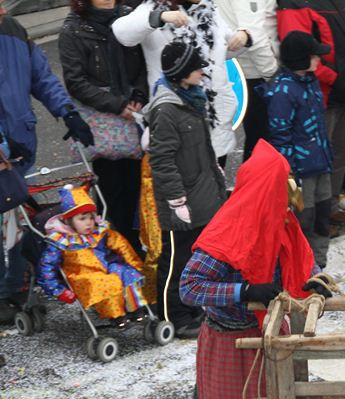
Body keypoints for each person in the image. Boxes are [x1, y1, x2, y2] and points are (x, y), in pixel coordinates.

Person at [179, 140, 332, 399]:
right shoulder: (229, 231)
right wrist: (242, 292)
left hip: (261, 334)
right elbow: (189, 287)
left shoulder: (273, 219)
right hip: (232, 341)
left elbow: (291, 269)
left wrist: (310, 284)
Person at [0, 0, 94, 325]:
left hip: (19, 148)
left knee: (16, 219)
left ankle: (15, 285)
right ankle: (6, 291)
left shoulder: (12, 30)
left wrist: (67, 111)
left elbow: (41, 77)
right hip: (3, 150)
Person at [145, 41, 227, 338]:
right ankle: (172, 316)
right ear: (181, 73)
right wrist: (175, 199)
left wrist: (215, 174)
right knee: (176, 259)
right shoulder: (167, 110)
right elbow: (162, 159)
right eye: (196, 68)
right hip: (182, 199)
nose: (202, 72)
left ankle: (193, 307)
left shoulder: (191, 99)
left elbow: (201, 148)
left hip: (201, 193)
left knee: (197, 256)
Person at [58, 0, 149, 254]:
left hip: (134, 112)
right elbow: (75, 82)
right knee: (111, 188)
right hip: (102, 120)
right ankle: (116, 246)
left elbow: (144, 62)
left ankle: (134, 243)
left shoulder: (129, 17)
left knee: (136, 184)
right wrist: (117, 105)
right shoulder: (73, 29)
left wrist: (139, 95)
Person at [112, 0, 251, 163]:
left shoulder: (208, 9)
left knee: (215, 176)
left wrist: (244, 38)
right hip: (176, 115)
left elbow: (222, 48)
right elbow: (122, 33)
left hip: (214, 117)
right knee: (183, 178)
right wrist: (159, 17)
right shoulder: (153, 8)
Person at [277, 0, 345, 228]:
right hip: (321, 95)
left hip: (344, 91)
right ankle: (308, 218)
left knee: (338, 156)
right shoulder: (295, 4)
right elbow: (298, 52)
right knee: (312, 163)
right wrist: (335, 79)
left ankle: (330, 207)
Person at [260, 31, 334, 269]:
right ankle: (303, 269)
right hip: (301, 171)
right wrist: (290, 174)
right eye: (314, 56)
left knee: (323, 216)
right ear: (300, 59)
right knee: (304, 221)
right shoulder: (283, 91)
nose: (318, 60)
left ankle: (320, 265)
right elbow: (280, 136)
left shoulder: (309, 81)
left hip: (320, 163)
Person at [37, 185, 147, 325]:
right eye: (82, 219)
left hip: (107, 265)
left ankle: (134, 308)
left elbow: (122, 246)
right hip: (82, 274)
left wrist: (136, 264)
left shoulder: (99, 232)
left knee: (127, 273)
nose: (88, 223)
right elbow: (47, 266)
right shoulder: (61, 241)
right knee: (106, 283)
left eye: (91, 218)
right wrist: (57, 289)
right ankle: (115, 314)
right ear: (69, 221)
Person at [216, 0, 279, 161]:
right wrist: (273, 75)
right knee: (261, 144)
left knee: (221, 136)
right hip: (254, 72)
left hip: (236, 68)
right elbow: (254, 34)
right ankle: (252, 185)